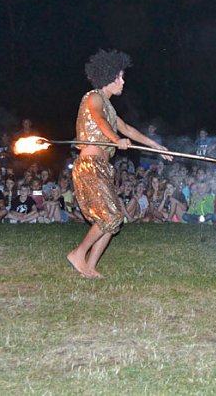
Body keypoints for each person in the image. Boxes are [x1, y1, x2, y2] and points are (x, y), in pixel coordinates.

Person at [67, 49, 170, 279]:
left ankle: (90, 266)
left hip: (102, 166)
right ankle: (78, 254)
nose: (123, 82)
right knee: (109, 216)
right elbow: (100, 120)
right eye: (119, 77)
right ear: (108, 77)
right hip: (90, 164)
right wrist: (116, 140)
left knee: (114, 219)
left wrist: (156, 146)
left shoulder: (110, 106)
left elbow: (128, 130)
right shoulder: (93, 98)